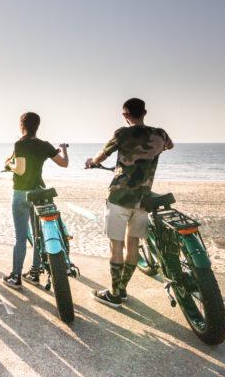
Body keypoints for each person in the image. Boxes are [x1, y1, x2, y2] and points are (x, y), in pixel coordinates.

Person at [85, 98, 173, 307]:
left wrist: (92, 162)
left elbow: (102, 155)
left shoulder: (122, 133)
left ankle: (115, 294)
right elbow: (169, 145)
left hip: (119, 197)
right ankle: (122, 289)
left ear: (126, 115)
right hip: (143, 199)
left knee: (116, 246)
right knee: (132, 244)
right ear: (144, 112)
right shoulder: (160, 134)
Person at [2, 112, 69, 289]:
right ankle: (34, 273)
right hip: (39, 193)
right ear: (37, 126)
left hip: (21, 194)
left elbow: (21, 169)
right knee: (38, 236)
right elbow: (64, 163)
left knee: (20, 238)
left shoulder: (20, 144)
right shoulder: (44, 145)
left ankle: (15, 277)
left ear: (21, 125)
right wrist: (64, 150)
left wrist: (9, 164)